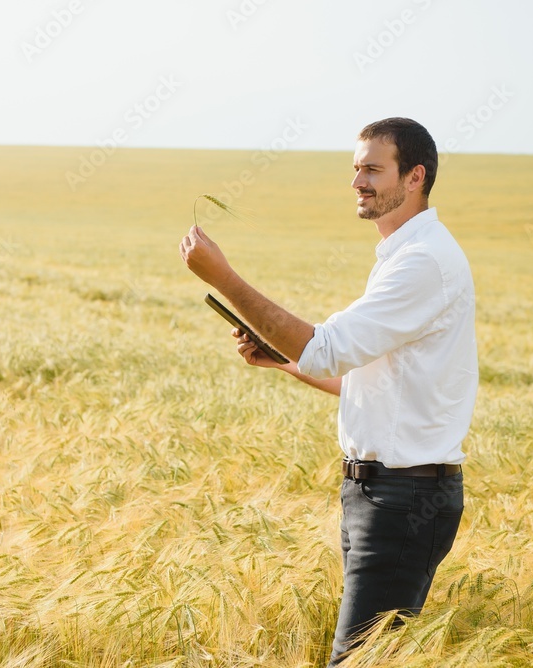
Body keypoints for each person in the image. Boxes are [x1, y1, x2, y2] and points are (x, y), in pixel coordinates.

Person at [178, 117, 478, 665]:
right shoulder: (404, 256)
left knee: (357, 661)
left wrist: (222, 277)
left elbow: (327, 347)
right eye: (355, 169)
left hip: (402, 499)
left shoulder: (423, 264)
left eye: (372, 169)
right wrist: (281, 362)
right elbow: (366, 385)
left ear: (416, 176)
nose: (357, 182)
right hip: (378, 494)